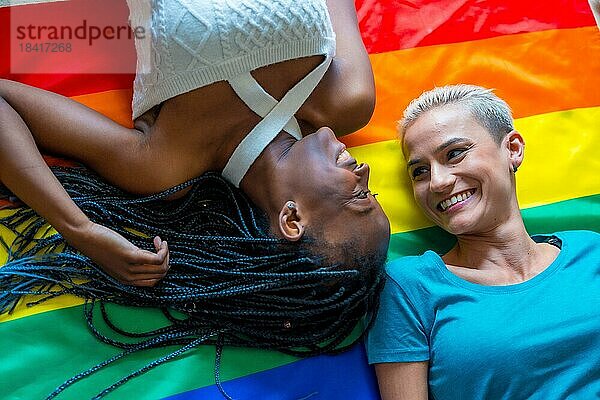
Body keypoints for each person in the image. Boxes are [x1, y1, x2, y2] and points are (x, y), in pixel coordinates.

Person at [0, 0, 389, 396]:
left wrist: (79, 228)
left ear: (292, 219)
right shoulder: (349, 99)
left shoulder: (166, 163)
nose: (364, 172)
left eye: (359, 195)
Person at [366, 84, 600, 399]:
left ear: (513, 149)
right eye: (420, 172)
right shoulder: (409, 286)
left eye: (454, 154)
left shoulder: (591, 251)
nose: (438, 181)